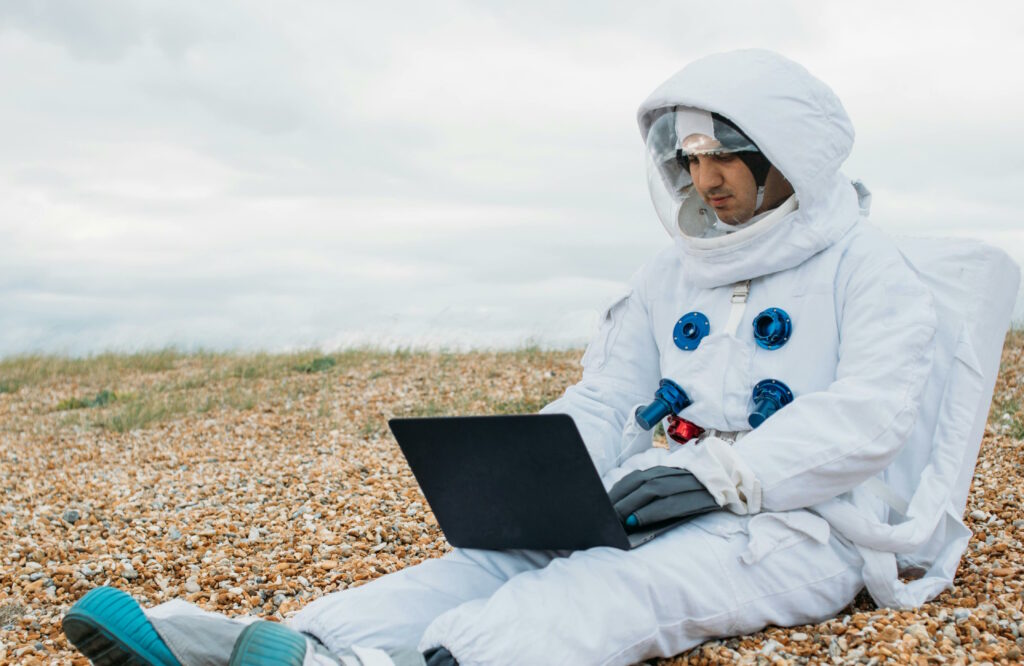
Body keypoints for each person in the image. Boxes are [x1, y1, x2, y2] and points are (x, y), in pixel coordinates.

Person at [62, 48, 1011, 666]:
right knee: (496, 557)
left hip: (801, 525)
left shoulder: (867, 267)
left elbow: (875, 413)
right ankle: (294, 646)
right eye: (688, 158)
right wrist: (538, 467)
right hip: (651, 490)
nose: (703, 178)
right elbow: (612, 395)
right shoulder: (670, 271)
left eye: (724, 153)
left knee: (608, 589)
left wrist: (728, 474)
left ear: (786, 152)